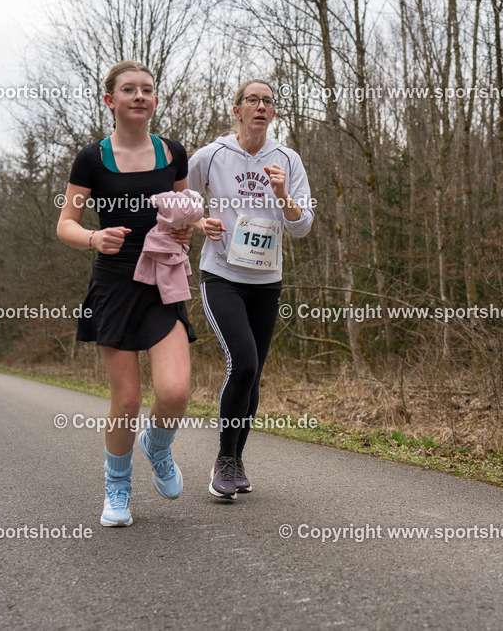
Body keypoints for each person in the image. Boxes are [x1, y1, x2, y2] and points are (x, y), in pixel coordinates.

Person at [56, 61, 195, 527]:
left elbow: (183, 212)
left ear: (156, 101)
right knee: (128, 399)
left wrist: (194, 228)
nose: (139, 96)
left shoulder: (174, 154)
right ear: (109, 99)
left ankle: (156, 444)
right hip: (114, 283)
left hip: (162, 279)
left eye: (147, 90)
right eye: (129, 90)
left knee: (175, 392)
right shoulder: (91, 159)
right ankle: (117, 488)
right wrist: (94, 239)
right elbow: (65, 224)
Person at [189, 79, 314, 499]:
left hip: (267, 279)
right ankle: (223, 460)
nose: (261, 106)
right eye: (252, 100)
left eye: (268, 101)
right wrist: (196, 223)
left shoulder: (287, 159)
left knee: (254, 373)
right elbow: (179, 202)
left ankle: (236, 460)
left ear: (273, 113)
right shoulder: (211, 156)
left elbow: (302, 225)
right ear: (237, 110)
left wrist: (282, 195)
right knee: (242, 362)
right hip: (222, 274)